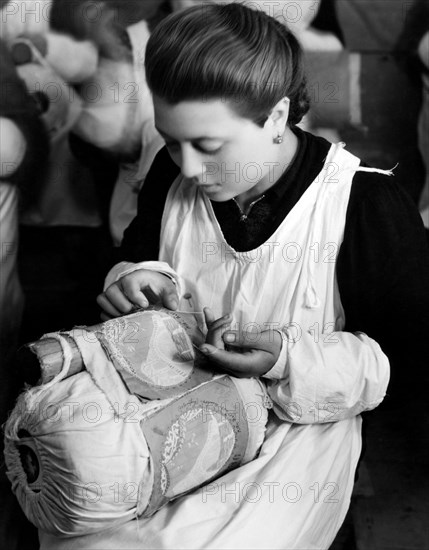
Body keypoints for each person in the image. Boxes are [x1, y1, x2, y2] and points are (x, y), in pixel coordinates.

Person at [68, 3, 427, 549]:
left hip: (291, 442)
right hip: (168, 414)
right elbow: (145, 252)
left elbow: (403, 367)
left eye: (209, 146)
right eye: (171, 140)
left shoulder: (365, 205)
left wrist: (284, 359)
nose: (186, 168)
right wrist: (135, 276)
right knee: (79, 514)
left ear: (277, 116)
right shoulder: (173, 171)